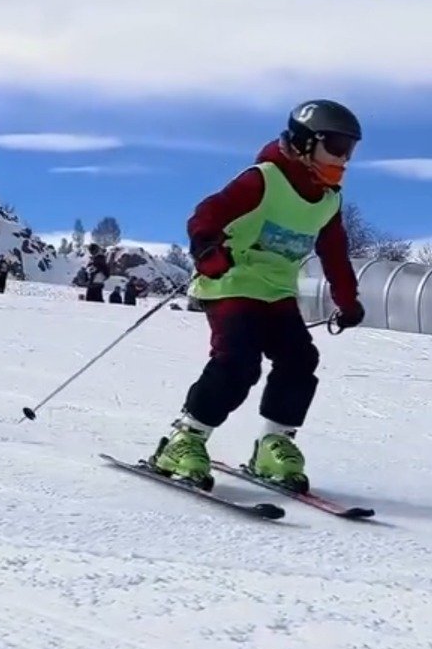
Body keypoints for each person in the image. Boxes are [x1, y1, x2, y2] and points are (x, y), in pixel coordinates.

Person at [148, 99, 367, 492]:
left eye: (349, 149)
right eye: (335, 146)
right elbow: (206, 215)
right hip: (231, 282)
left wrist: (347, 301)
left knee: (300, 359)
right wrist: (207, 250)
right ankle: (185, 439)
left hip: (276, 292)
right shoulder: (263, 180)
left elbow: (334, 251)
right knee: (238, 362)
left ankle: (273, 444)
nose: (343, 158)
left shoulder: (328, 198)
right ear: (304, 142)